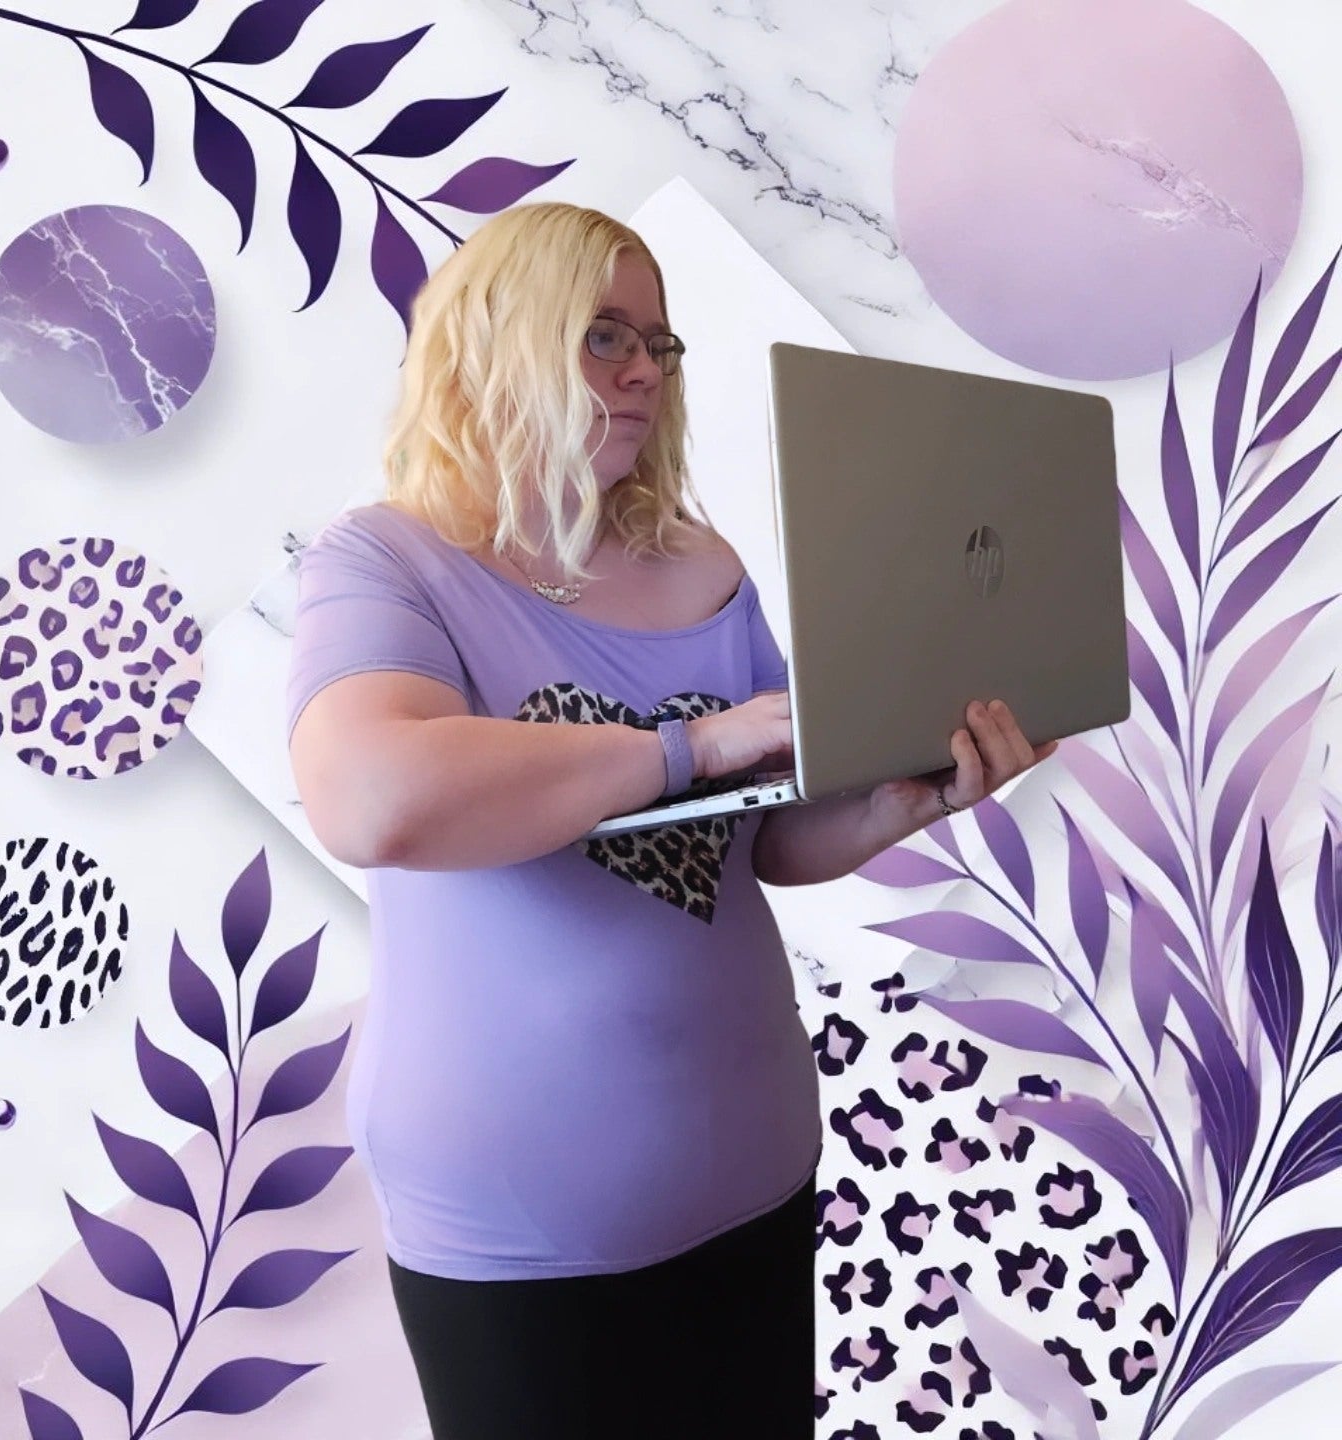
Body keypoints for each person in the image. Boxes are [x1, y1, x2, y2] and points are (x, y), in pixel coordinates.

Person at [285, 202, 1057, 1440]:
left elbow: (759, 846)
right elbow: (371, 797)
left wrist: (899, 805)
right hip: (519, 1236)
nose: (646, 367)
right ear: (499, 339)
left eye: (660, 343)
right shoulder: (390, 561)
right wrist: (689, 743)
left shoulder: (703, 565)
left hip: (753, 1179)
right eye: (602, 336)